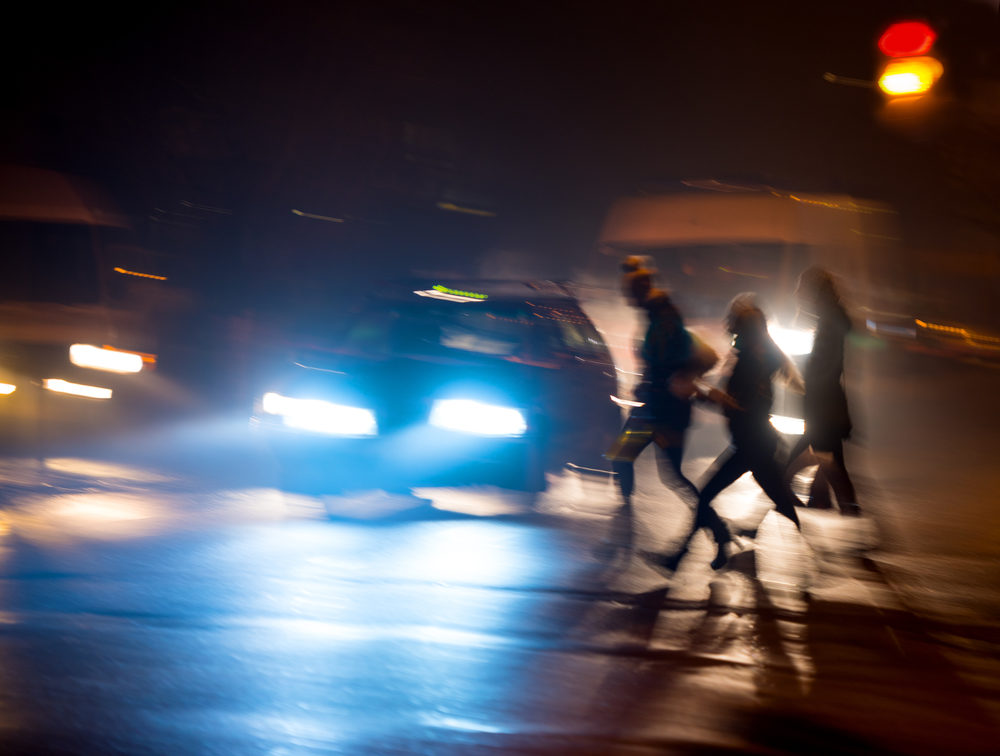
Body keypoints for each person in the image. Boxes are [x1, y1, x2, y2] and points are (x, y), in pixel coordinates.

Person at [664, 294, 805, 572]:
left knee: (708, 497)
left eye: (734, 325)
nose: (729, 330)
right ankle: (702, 549)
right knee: (782, 504)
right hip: (753, 445)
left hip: (754, 447)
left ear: (745, 330)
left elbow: (744, 405)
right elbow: (737, 403)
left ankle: (688, 554)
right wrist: (706, 395)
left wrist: (710, 395)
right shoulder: (755, 358)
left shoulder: (754, 363)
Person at [603, 257, 721, 549]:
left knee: (669, 475)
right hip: (655, 408)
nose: (626, 297)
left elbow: (668, 361)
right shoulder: (657, 316)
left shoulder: (664, 318)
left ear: (640, 291)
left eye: (628, 291)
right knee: (628, 459)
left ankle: (716, 527)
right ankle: (624, 522)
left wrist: (657, 382)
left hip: (665, 411)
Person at [784, 267, 860, 516]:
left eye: (803, 289)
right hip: (824, 400)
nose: (800, 294)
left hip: (823, 400)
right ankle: (841, 504)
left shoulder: (830, 321)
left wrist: (809, 376)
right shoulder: (829, 318)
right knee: (830, 458)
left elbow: (826, 364)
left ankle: (844, 506)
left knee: (811, 458)